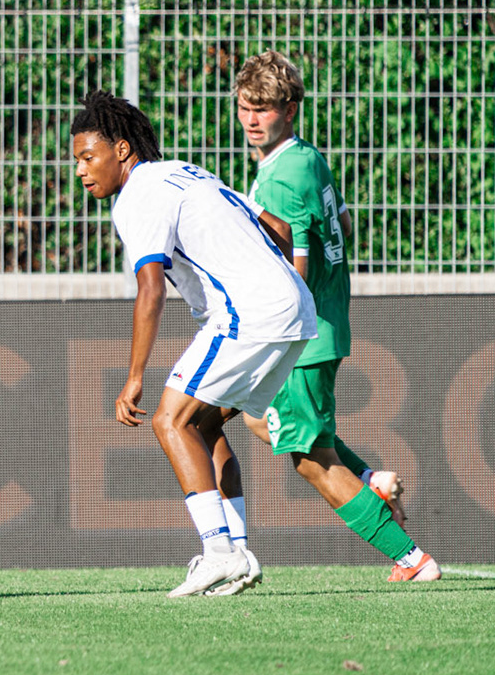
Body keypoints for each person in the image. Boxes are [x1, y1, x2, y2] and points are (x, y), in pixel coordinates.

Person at [71, 89, 317, 599]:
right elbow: (279, 227)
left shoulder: (137, 196)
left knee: (169, 420)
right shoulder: (186, 172)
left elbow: (151, 289)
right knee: (203, 424)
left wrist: (134, 377)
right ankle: (239, 555)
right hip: (293, 307)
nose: (81, 170)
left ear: (121, 150)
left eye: (88, 157)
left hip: (250, 314)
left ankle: (219, 552)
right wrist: (286, 287)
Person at [232, 52, 440, 582]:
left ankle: (412, 559)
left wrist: (272, 324)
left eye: (263, 109)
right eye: (245, 107)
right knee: (256, 415)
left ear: (290, 110)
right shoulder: (306, 158)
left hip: (300, 336)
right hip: (326, 323)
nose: (252, 119)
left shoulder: (280, 178)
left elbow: (296, 266)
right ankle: (371, 480)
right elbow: (343, 224)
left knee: (309, 458)